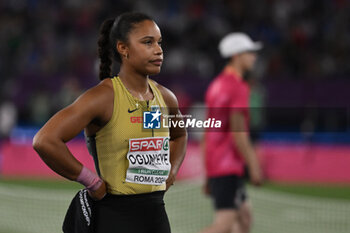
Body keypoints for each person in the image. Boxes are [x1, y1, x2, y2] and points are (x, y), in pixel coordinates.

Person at [33, 12, 187, 233]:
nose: (158, 50)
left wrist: (171, 173)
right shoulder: (103, 98)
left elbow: (180, 135)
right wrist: (91, 181)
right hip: (114, 218)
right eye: (147, 42)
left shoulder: (166, 97)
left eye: (159, 42)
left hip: (156, 216)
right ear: (123, 48)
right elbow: (45, 140)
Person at [200, 33, 263, 233]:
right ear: (236, 55)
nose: (254, 57)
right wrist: (254, 165)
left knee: (244, 218)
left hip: (218, 164)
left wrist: (208, 172)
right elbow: (239, 132)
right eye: (250, 52)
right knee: (225, 224)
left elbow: (208, 133)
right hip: (229, 165)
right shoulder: (238, 87)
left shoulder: (215, 86)